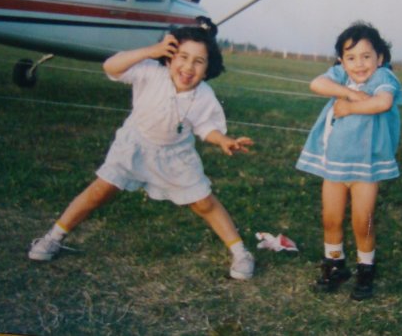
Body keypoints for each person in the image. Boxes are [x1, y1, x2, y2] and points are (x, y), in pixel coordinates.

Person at [29, 17, 255, 280]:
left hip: (175, 156)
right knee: (99, 191)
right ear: (169, 57)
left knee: (204, 203)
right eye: (182, 57)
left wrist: (223, 140)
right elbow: (110, 67)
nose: (188, 67)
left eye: (198, 61)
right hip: (134, 145)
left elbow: (206, 127)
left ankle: (241, 253)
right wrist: (150, 51)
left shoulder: (203, 95)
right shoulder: (149, 70)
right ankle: (52, 237)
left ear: (208, 69)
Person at [296, 21, 402, 300]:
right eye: (351, 57)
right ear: (341, 60)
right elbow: (316, 83)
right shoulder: (341, 77)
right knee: (330, 219)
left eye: (367, 56)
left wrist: (349, 108)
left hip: (366, 167)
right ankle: (334, 265)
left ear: (380, 58)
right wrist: (350, 93)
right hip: (335, 163)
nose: (359, 64)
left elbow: (383, 103)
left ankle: (365, 269)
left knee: (362, 221)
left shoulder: (383, 79)